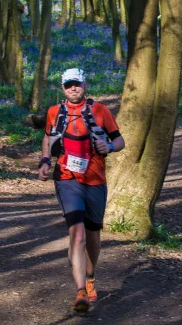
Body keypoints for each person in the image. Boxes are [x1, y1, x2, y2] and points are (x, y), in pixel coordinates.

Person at [38, 68, 125, 312]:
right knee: (76, 234)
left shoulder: (100, 111)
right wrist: (45, 161)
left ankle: (89, 277)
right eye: (68, 85)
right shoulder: (54, 112)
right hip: (66, 178)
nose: (73, 88)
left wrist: (108, 146)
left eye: (77, 84)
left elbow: (120, 141)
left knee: (92, 235)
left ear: (85, 84)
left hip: (95, 179)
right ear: (62, 88)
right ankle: (80, 292)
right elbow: (47, 138)